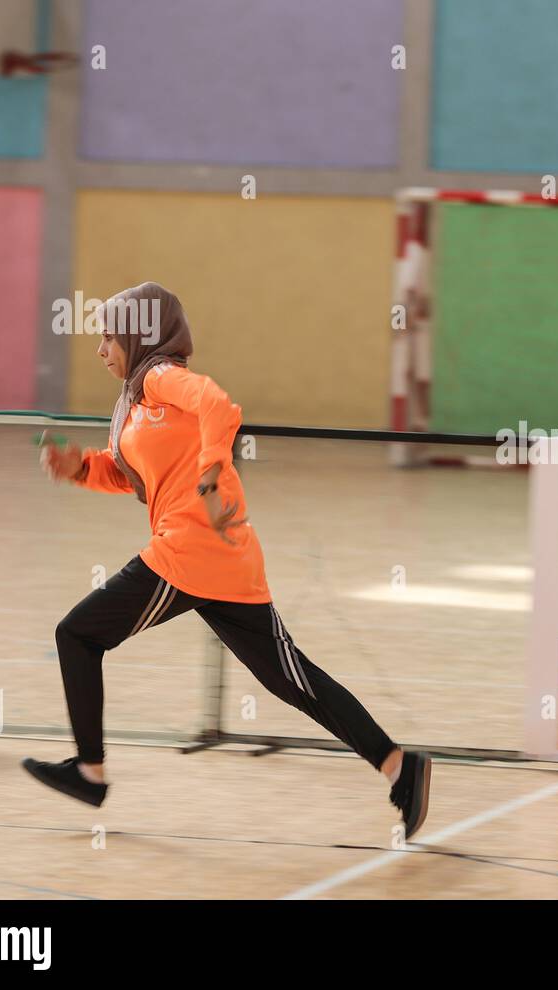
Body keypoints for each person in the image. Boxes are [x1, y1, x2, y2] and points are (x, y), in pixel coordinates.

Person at [28, 282, 431, 838]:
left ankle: (90, 771)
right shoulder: (136, 402)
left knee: (77, 634)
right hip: (223, 554)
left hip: (189, 550)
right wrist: (79, 468)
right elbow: (138, 478)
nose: (100, 349)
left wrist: (214, 465)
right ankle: (399, 767)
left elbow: (219, 405)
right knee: (290, 679)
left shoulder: (159, 376)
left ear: (139, 335)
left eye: (108, 336)